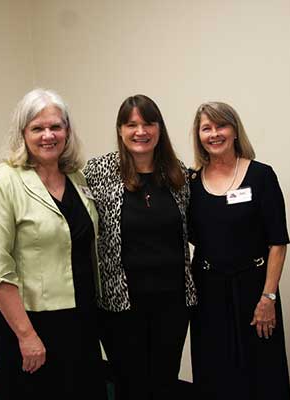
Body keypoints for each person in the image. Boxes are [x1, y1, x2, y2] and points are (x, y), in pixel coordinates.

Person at [0, 89, 106, 399]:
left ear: (67, 131)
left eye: (55, 127)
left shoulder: (77, 178)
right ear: (23, 133)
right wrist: (26, 335)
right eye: (37, 128)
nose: (48, 135)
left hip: (82, 317)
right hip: (31, 322)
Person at [83, 94, 197, 400]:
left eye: (148, 123)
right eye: (131, 124)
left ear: (159, 128)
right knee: (130, 385)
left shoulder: (177, 173)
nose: (140, 131)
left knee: (164, 383)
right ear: (120, 130)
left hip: (173, 303)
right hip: (121, 305)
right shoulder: (98, 171)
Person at [188, 102, 290, 400]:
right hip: (208, 293)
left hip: (254, 291)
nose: (214, 134)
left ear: (235, 131)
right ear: (199, 136)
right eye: (206, 128)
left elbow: (278, 242)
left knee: (262, 372)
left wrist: (268, 298)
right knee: (215, 373)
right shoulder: (191, 183)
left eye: (221, 126)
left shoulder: (261, 176)